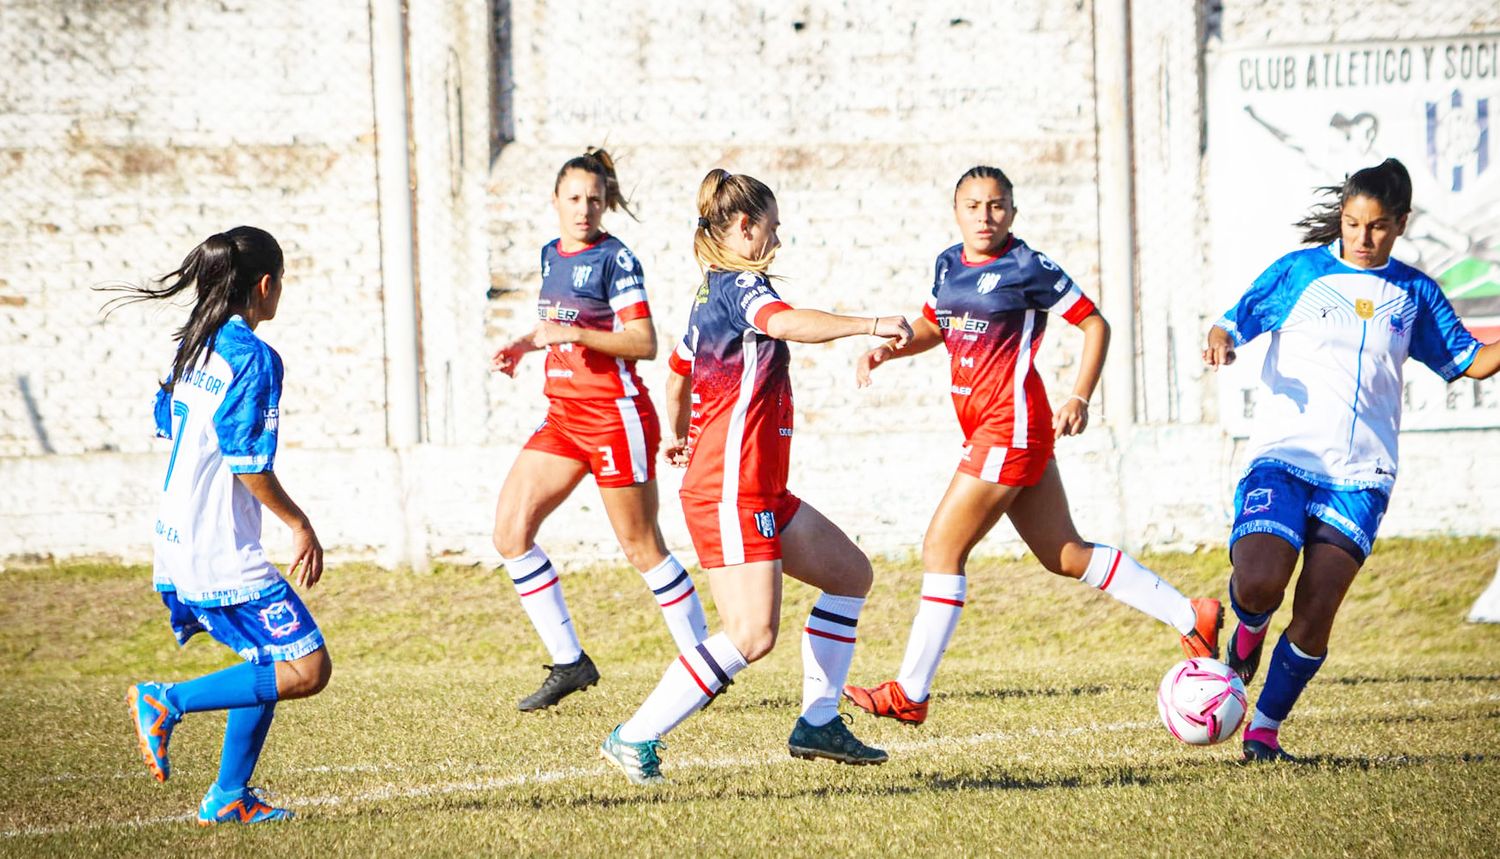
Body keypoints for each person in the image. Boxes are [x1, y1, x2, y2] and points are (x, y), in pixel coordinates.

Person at [843, 166, 1223, 726]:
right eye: (973, 206)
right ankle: (1191, 614)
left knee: (940, 550)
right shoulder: (948, 263)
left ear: (1013, 213)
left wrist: (1080, 396)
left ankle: (911, 692)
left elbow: (1095, 324)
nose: (984, 216)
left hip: (1011, 426)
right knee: (1063, 554)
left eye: (996, 206)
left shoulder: (1027, 267)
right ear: (956, 211)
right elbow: (935, 325)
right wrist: (888, 351)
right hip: (995, 431)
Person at [598, 169, 914, 784]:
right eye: (772, 226)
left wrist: (678, 431)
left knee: (850, 574)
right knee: (751, 633)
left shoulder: (709, 291)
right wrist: (869, 323)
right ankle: (633, 736)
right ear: (745, 227)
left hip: (755, 483)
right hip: (730, 487)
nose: (779, 238)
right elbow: (786, 323)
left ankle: (819, 721)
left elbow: (679, 372)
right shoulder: (742, 286)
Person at [1202, 157, 1498, 761]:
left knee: (1316, 611)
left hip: (1362, 475)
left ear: (1402, 224)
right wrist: (1220, 341)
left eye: (1379, 226)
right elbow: (1232, 322)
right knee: (1259, 582)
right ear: (1342, 215)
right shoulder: (1301, 271)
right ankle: (1248, 629)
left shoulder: (1415, 293)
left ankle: (1262, 733)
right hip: (1284, 458)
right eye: (1353, 223)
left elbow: (1473, 362)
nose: (1363, 238)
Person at [110, 226, 332, 825]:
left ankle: (230, 795)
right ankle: (167, 701)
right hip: (220, 549)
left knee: (265, 656)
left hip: (175, 537)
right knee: (307, 668)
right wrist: (299, 524)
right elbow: (247, 460)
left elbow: (166, 420)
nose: (280, 291)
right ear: (265, 286)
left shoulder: (194, 347)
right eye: (280, 281)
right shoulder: (252, 357)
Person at [489, 149, 708, 711]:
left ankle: (705, 667)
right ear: (556, 201)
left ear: (605, 202)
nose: (584, 208)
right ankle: (570, 662)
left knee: (642, 548)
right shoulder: (550, 255)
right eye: (574, 198)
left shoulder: (617, 259)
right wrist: (520, 345)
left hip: (615, 417)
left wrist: (581, 336)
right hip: (563, 417)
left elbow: (644, 343)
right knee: (510, 535)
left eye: (594, 198)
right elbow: (553, 324)